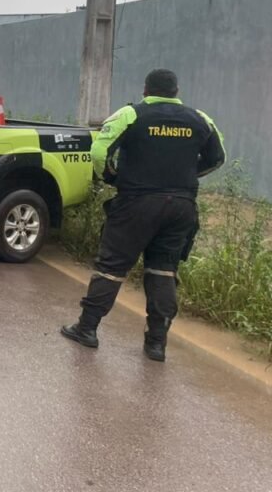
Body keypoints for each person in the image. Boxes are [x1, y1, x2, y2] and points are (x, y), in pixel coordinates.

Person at [61, 68, 225, 362]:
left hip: (136, 203)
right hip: (180, 207)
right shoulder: (201, 119)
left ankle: (87, 329)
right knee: (163, 269)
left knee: (111, 266)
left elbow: (99, 153)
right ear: (177, 91)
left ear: (145, 90)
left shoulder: (131, 114)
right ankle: (156, 345)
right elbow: (217, 158)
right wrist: (185, 176)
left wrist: (113, 178)